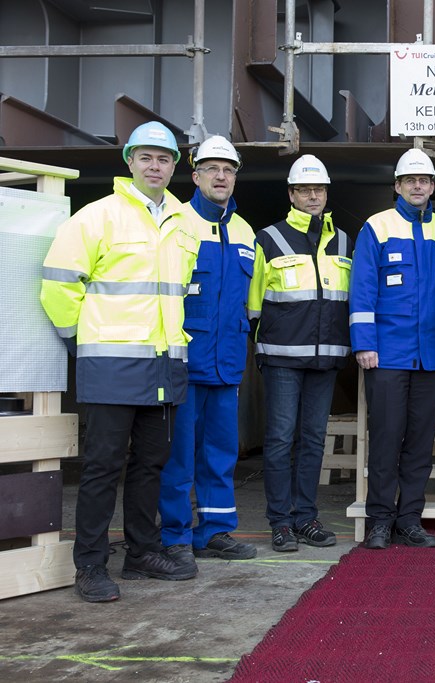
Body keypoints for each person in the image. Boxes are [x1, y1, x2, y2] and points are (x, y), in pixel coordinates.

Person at [40, 121, 201, 602]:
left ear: (175, 166)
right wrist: (81, 341)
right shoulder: (97, 217)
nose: (156, 166)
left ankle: (141, 552)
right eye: (147, 157)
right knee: (102, 468)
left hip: (165, 366)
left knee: (151, 465)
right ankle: (89, 565)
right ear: (129, 161)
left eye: (165, 158)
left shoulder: (184, 221)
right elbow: (58, 286)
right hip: (110, 365)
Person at [350, 148, 435, 550]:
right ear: (397, 185)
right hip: (387, 353)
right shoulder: (376, 227)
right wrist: (364, 343)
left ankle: (409, 519)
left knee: (419, 441)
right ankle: (380, 519)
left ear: (432, 187)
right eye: (411, 180)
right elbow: (362, 289)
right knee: (386, 436)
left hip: (432, 354)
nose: (418, 186)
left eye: (425, 180)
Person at [158, 136, 257, 569]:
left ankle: (214, 531)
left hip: (227, 360)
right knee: (178, 454)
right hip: (183, 358)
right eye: (213, 169)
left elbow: (249, 303)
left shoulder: (244, 230)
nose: (222, 176)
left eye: (229, 169)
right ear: (195, 176)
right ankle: (175, 536)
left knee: (221, 451)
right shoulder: (174, 222)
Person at [247, 154, 352, 552]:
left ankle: (306, 517)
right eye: (305, 189)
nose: (313, 195)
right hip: (282, 359)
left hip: (325, 360)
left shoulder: (343, 240)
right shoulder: (268, 238)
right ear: (291, 194)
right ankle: (281, 522)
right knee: (278, 440)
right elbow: (253, 305)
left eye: (319, 189)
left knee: (313, 439)